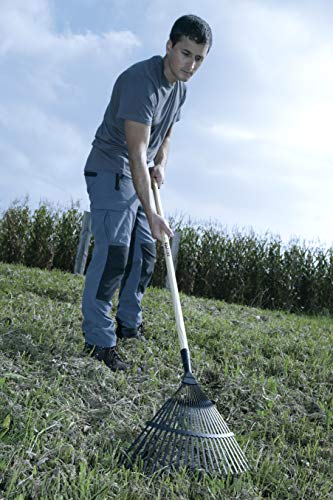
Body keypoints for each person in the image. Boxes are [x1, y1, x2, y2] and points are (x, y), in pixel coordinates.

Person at [82, 14, 212, 371]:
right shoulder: (142, 82)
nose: (191, 65)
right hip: (112, 168)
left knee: (145, 254)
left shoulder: (180, 89)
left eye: (199, 58)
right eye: (186, 53)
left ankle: (128, 323)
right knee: (114, 256)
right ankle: (99, 340)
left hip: (140, 173)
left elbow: (165, 133)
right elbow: (136, 152)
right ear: (169, 46)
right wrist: (152, 211)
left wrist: (163, 162)